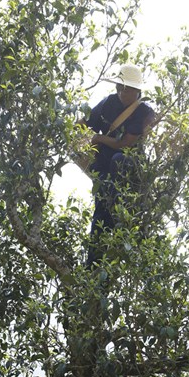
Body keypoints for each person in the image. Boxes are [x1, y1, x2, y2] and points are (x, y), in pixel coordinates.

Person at [82, 64, 155, 263]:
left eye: (128, 88)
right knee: (100, 217)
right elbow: (85, 122)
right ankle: (92, 267)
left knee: (119, 159)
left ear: (137, 90)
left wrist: (98, 139)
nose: (122, 92)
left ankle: (119, 219)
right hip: (104, 171)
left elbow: (126, 144)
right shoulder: (108, 103)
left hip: (127, 171)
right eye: (120, 86)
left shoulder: (145, 112)